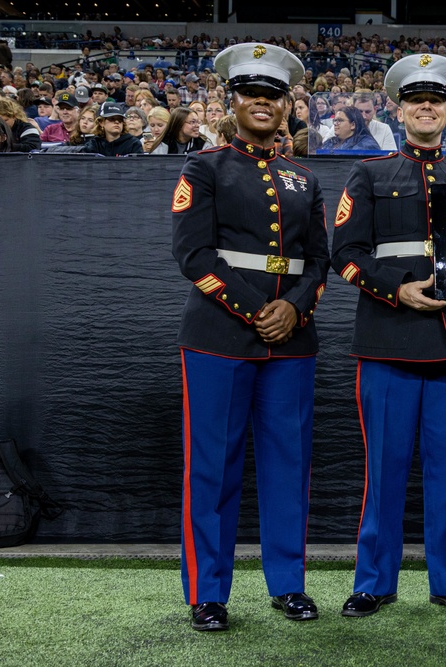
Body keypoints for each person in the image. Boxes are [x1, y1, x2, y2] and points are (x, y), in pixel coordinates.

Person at [172, 41, 329, 633]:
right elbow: (192, 254)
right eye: (251, 95)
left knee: (289, 466)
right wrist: (257, 309)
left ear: (288, 105)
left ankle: (288, 584)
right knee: (212, 468)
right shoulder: (203, 168)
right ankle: (207, 593)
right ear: (231, 101)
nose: (262, 104)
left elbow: (320, 261)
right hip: (217, 336)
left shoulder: (304, 179)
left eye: (274, 96)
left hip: (292, 340)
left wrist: (292, 309)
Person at [331, 53, 446, 620]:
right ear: (399, 109)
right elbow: (345, 255)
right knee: (385, 472)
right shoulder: (369, 175)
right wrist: (395, 287)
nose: (427, 106)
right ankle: (374, 581)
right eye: (417, 99)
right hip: (388, 339)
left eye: (438, 100)